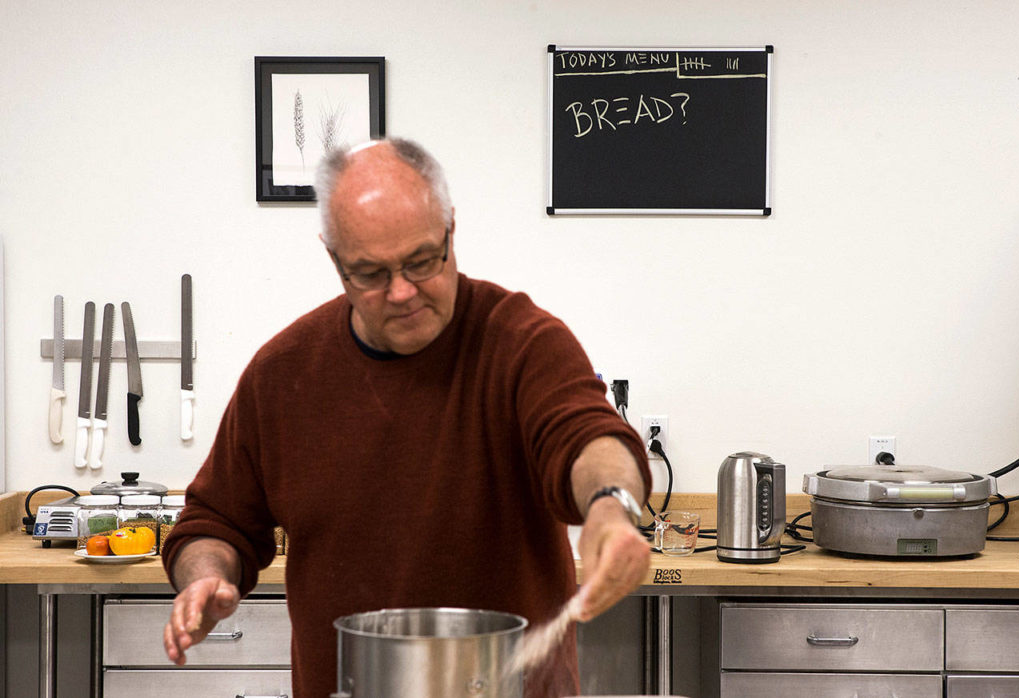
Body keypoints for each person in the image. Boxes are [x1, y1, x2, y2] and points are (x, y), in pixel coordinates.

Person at [161, 137, 652, 697]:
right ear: (334, 260)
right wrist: (204, 581)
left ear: (451, 231)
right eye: (369, 273)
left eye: (422, 262)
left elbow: (589, 438)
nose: (401, 292)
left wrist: (611, 508)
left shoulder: (521, 342)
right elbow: (216, 521)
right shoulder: (283, 373)